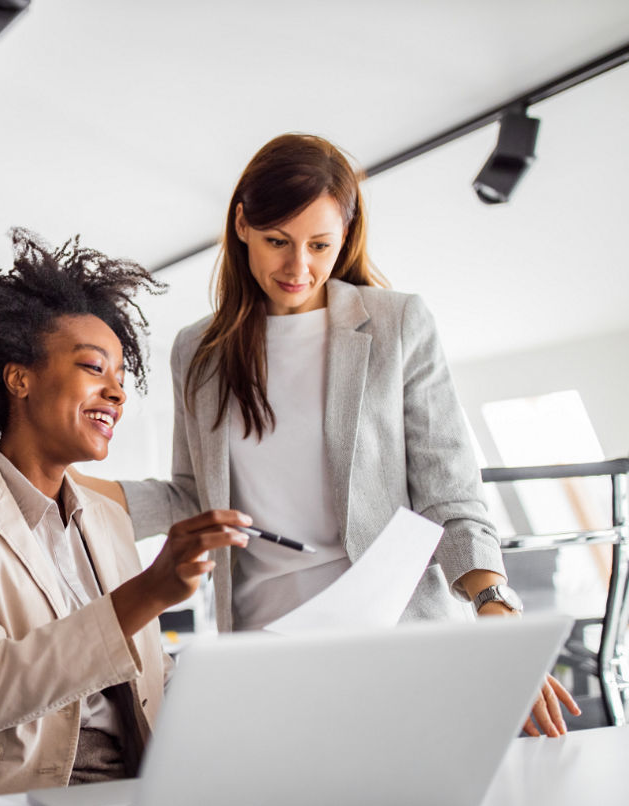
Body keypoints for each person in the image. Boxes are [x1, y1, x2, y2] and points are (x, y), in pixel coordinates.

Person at [75, 133, 578, 737]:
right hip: (265, 649)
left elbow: (450, 496)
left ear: (346, 234)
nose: (298, 268)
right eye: (277, 242)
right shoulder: (199, 351)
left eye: (320, 245)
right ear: (242, 225)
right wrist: (65, 487)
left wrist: (495, 608)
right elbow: (192, 496)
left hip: (393, 641)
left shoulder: (397, 325)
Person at [0, 230, 248, 797]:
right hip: (14, 795)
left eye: (121, 379)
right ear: (20, 379)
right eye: (93, 368)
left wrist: (245, 696)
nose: (117, 394)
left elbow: (145, 673)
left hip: (132, 782)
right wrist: (151, 591)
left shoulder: (105, 517)